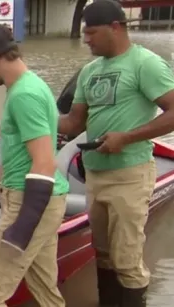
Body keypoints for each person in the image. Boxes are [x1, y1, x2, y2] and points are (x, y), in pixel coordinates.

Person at [58, 0, 174, 306]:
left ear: (116, 27)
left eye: (92, 32)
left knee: (127, 259)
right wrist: (32, 117)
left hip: (129, 174)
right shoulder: (89, 71)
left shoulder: (144, 63)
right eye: (85, 33)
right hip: (95, 174)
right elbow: (73, 123)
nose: (86, 40)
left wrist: (128, 137)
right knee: (104, 255)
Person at [0, 24, 69, 307]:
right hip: (40, 199)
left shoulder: (24, 96)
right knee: (45, 290)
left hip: (30, 202)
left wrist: (22, 226)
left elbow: (45, 161)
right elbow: (17, 153)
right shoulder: (27, 86)